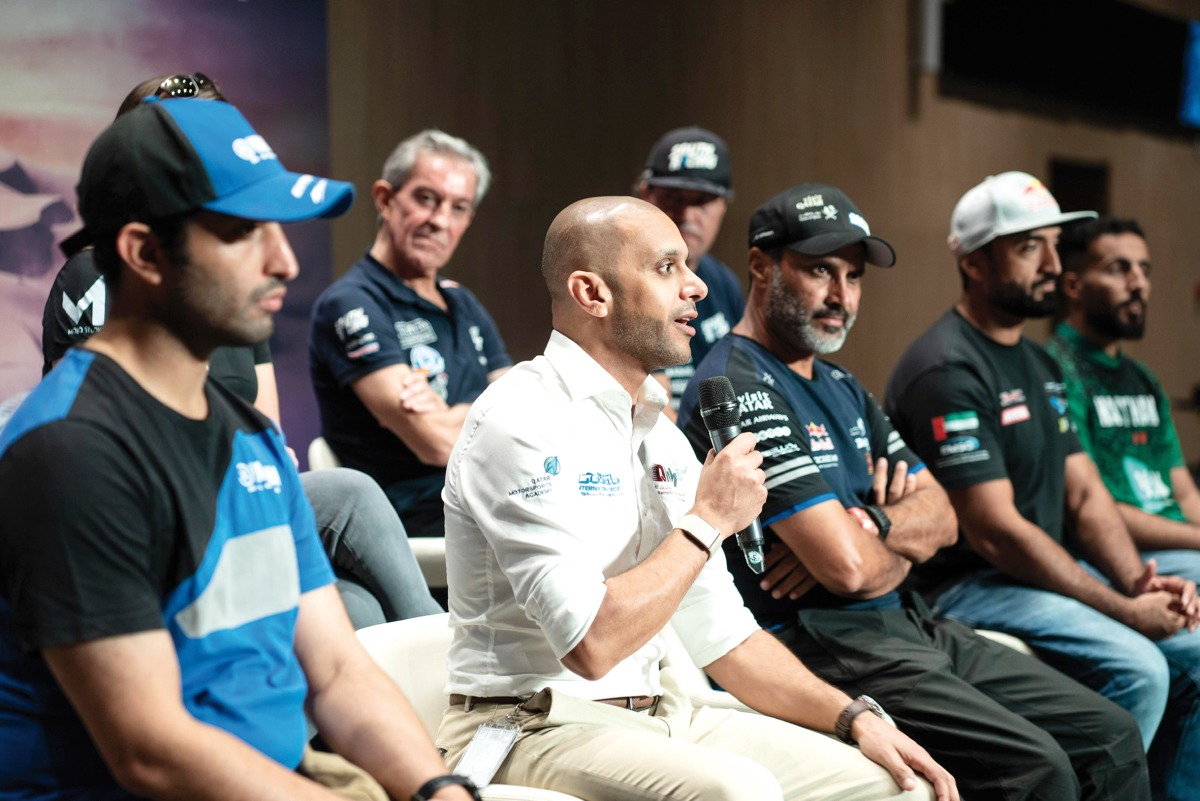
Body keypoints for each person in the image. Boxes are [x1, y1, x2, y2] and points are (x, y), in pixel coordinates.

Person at [0, 97, 476, 801]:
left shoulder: (250, 435)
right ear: (144, 252)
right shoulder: (70, 452)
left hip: (276, 773)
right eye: (243, 231)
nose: (284, 261)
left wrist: (440, 787)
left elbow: (338, 670)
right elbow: (152, 752)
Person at [435, 195, 958, 801]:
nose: (698, 286)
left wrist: (855, 718)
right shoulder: (520, 420)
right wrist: (707, 520)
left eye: (687, 265)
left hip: (664, 713)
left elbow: (726, 637)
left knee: (892, 783)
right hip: (530, 722)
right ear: (592, 293)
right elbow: (591, 645)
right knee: (739, 791)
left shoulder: (660, 436)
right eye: (666, 268)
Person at [677, 182, 1149, 800]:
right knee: (1039, 769)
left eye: (853, 276)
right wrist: (892, 535)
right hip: (820, 638)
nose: (842, 295)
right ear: (761, 266)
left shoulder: (843, 384)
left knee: (1112, 735)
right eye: (820, 271)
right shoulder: (738, 383)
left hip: (908, 618)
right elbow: (846, 569)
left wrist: (874, 523)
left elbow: (944, 516)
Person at [40, 72, 441, 629]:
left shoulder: (232, 299)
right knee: (349, 494)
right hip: (175, 519)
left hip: (234, 499)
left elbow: (266, 432)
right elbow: (110, 443)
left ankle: (448, 673)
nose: (283, 265)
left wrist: (258, 468)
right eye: (240, 231)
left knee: (358, 609)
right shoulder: (95, 285)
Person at [885, 171, 1200, 801]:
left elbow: (1086, 495)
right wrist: (1123, 608)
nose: (1054, 265)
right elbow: (997, 532)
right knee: (1141, 668)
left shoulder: (1039, 363)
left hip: (1028, 575)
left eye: (1055, 246)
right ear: (974, 263)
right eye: (1031, 248)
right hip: (967, 585)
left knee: (1190, 651)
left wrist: (1138, 580)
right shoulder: (946, 367)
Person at [310, 129, 511, 537]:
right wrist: (490, 410)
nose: (440, 221)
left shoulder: (462, 302)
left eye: (458, 208)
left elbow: (527, 413)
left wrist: (454, 413)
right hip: (411, 524)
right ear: (385, 199)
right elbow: (435, 442)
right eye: (426, 199)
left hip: (484, 504)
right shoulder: (350, 303)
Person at [1047, 217, 1200, 548]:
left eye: (1144, 270)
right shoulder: (1053, 373)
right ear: (1073, 286)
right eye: (1119, 269)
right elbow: (1089, 506)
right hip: (1117, 551)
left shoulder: (1142, 378)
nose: (1138, 284)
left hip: (1181, 544)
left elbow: (1184, 494)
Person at [636, 126, 744, 418]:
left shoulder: (723, 283)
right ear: (646, 196)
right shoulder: (627, 283)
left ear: (723, 206)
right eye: (674, 198)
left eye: (702, 201)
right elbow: (653, 414)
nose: (686, 215)